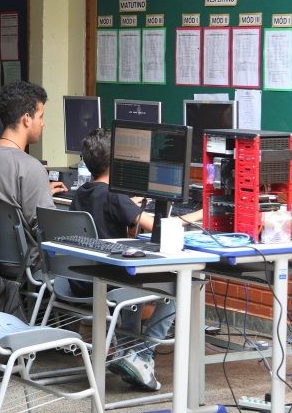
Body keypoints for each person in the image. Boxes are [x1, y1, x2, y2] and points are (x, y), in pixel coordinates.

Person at [71, 128, 202, 392]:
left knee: (134, 281)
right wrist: (200, 214)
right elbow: (158, 227)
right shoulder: (114, 196)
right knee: (184, 285)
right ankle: (142, 354)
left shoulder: (82, 192)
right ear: (117, 161)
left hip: (81, 280)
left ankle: (126, 350)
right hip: (110, 282)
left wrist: (130, 204)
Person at [0, 81, 67, 264]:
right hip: (29, 267)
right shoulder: (32, 168)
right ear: (26, 119)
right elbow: (48, 229)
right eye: (41, 116)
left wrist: (40, 192)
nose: (43, 123)